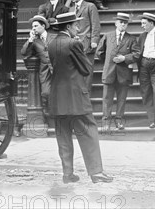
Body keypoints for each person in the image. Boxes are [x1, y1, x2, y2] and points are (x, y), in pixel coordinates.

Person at [48, 11, 113, 184]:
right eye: (76, 25)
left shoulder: (51, 44)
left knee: (63, 136)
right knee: (88, 132)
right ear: (68, 27)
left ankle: (67, 174)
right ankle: (96, 173)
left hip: (57, 99)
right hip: (76, 97)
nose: (78, 28)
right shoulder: (74, 43)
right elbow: (86, 68)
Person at [94, 12, 139, 130]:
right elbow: (99, 52)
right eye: (121, 22)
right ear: (116, 23)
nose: (123, 24)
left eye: (125, 23)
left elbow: (137, 54)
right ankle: (106, 122)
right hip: (109, 72)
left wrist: (124, 58)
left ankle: (119, 121)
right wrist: (109, 61)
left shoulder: (132, 38)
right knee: (107, 99)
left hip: (124, 74)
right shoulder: (108, 36)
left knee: (122, 99)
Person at [67, 0, 100, 91]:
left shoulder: (90, 6)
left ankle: (86, 97)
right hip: (74, 43)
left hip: (87, 42)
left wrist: (94, 40)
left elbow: (95, 24)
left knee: (87, 70)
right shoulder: (71, 9)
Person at [21, 15, 56, 113]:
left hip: (58, 69)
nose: (33, 28)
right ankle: (48, 114)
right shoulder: (34, 41)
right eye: (32, 27)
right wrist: (30, 39)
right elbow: (24, 52)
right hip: (45, 71)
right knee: (46, 93)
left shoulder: (54, 37)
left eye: (36, 26)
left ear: (43, 26)